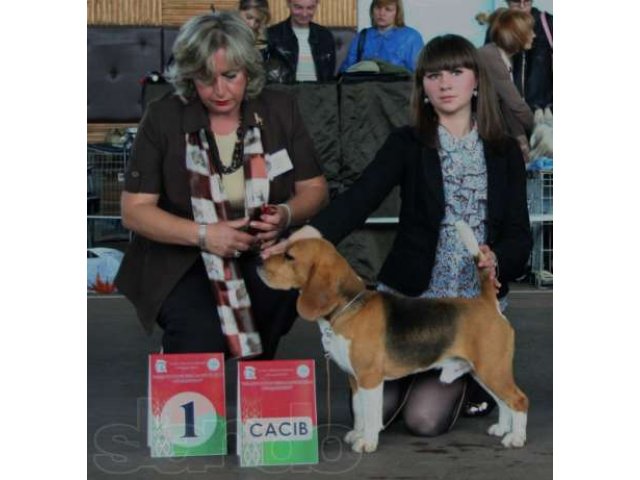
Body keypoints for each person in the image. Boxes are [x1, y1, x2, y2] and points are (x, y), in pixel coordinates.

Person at [265, 34, 532, 435]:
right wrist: (304, 234)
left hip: (467, 306)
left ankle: (466, 379)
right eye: (433, 75)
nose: (444, 83)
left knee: (423, 420)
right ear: (422, 85)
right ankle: (420, 376)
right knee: (377, 409)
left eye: (456, 72)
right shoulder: (407, 143)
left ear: (476, 80)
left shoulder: (503, 150)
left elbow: (518, 235)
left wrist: (498, 262)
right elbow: (359, 198)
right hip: (407, 298)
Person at [115, 12, 329, 359]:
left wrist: (286, 214)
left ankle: (258, 377)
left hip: (260, 250)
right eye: (205, 78)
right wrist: (205, 234)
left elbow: (314, 189)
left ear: (248, 70)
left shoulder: (279, 109)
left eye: (231, 76)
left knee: (275, 298)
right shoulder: (163, 116)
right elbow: (134, 211)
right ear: (189, 77)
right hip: (183, 255)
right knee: (199, 332)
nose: (220, 90)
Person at [477, 8, 535, 161]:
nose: (534, 35)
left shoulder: (500, 56)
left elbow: (506, 105)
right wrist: (541, 130)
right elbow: (517, 106)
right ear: (516, 34)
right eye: (529, 31)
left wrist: (520, 136)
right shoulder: (491, 58)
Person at [492, 1, 552, 110]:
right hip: (507, 112)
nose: (522, 5)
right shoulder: (498, 25)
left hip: (545, 112)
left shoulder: (548, 23)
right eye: (516, 1)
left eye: (527, 0)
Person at [339, 0, 423, 73]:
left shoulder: (411, 37)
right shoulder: (362, 36)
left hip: (397, 89)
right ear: (372, 10)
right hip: (364, 89)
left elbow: (419, 74)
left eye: (388, 9)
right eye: (378, 8)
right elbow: (346, 71)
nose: (382, 13)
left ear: (397, 13)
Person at [266, 0, 336, 82]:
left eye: (310, 8)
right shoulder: (272, 34)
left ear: (317, 5)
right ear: (288, 3)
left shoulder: (325, 35)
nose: (304, 14)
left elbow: (329, 75)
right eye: (298, 7)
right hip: (284, 92)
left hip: (320, 92)